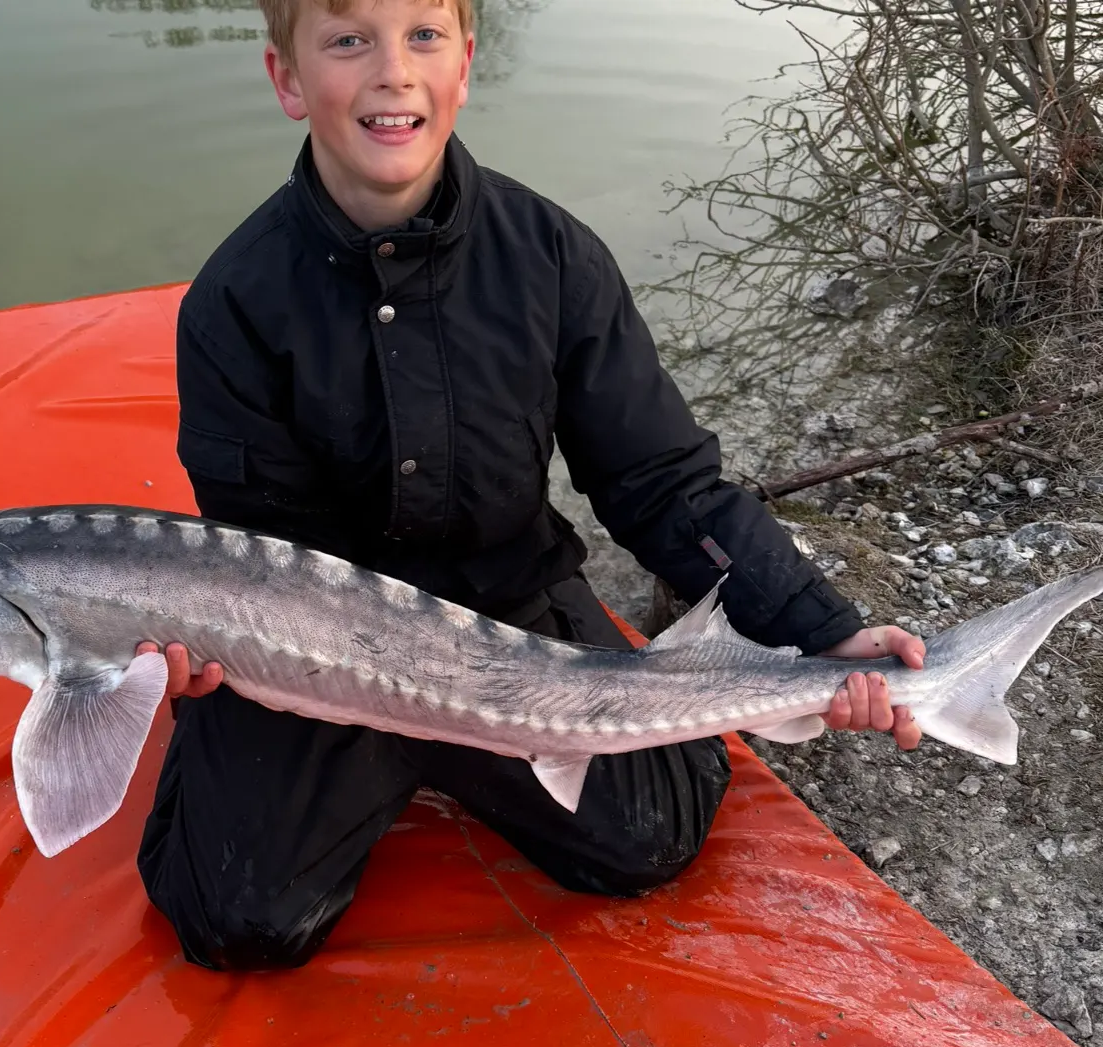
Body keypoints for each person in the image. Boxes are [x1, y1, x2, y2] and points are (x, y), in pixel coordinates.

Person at [136, 0, 924, 971]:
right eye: (348, 40)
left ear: (465, 66)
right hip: (318, 649)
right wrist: (205, 654)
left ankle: (511, 734)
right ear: (288, 79)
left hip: (508, 610)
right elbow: (252, 553)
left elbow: (661, 481)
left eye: (424, 36)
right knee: (235, 920)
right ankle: (324, 749)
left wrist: (821, 628)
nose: (393, 71)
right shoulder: (234, 302)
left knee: (653, 837)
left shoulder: (553, 256)